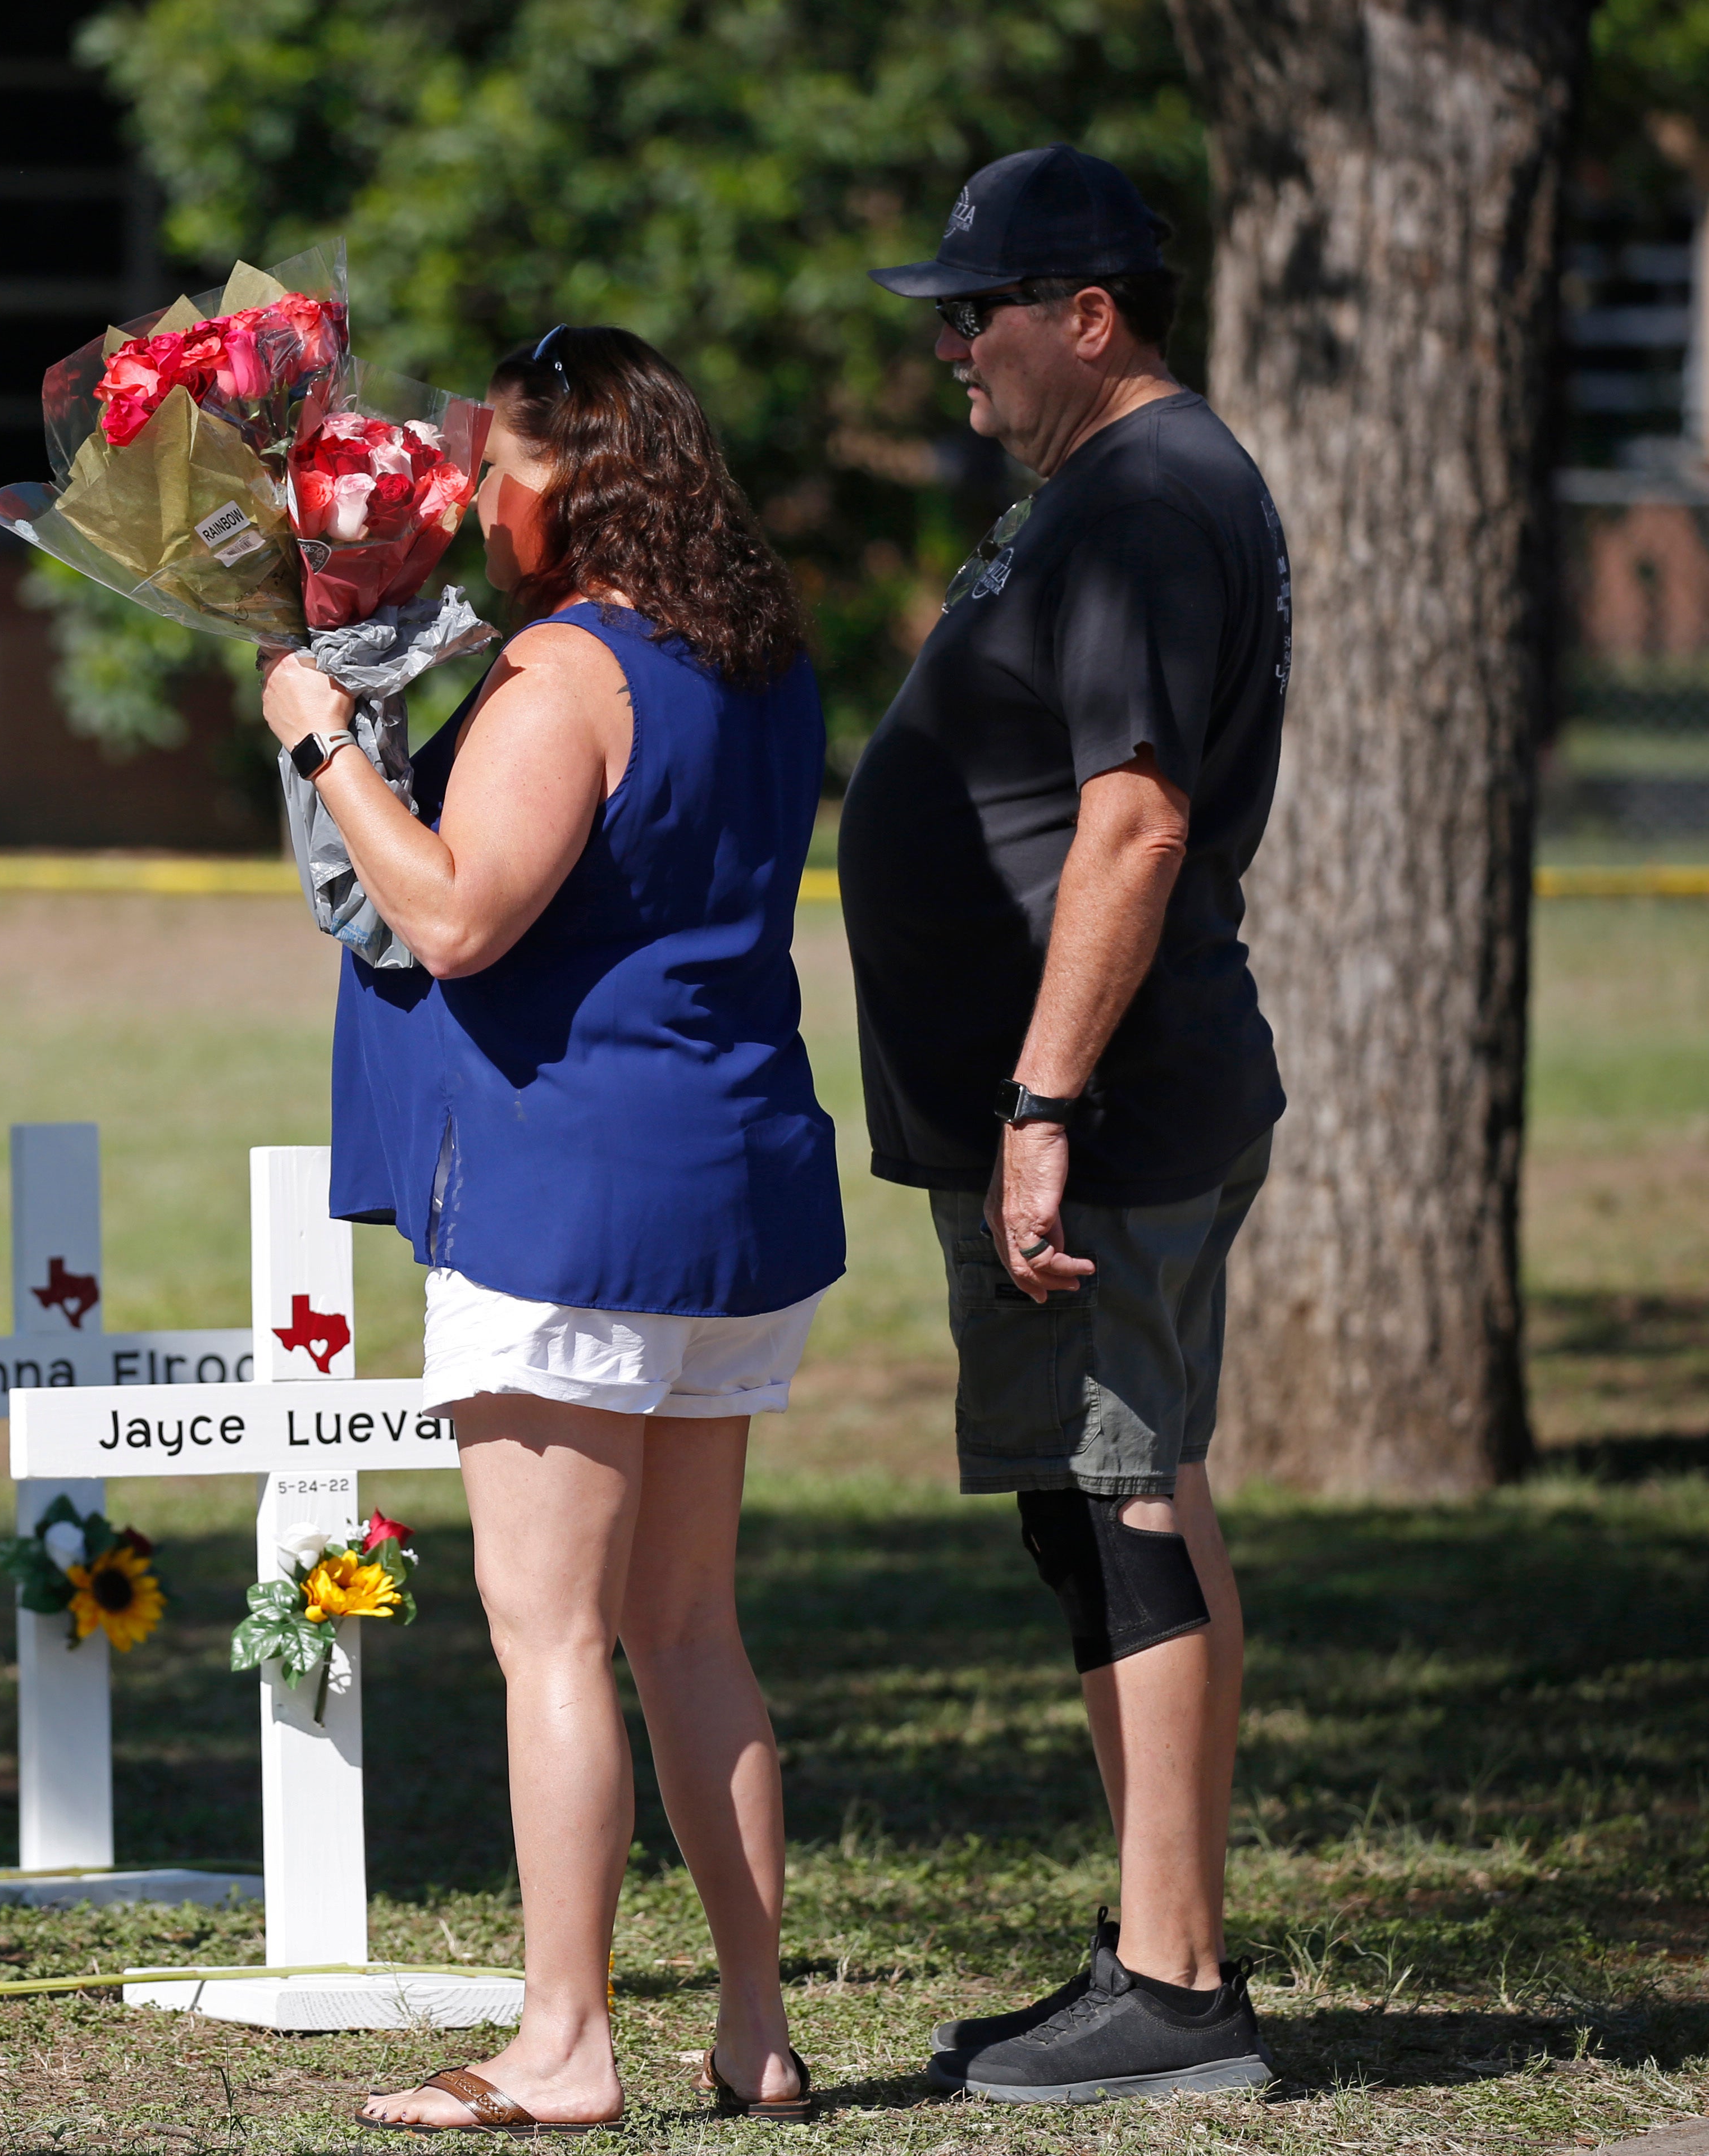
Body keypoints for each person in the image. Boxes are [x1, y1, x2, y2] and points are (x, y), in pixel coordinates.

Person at [262, 325, 845, 2135]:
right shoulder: (753, 653)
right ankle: (755, 2028)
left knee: (550, 1637)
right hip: (734, 1177)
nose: (469, 499)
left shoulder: (565, 675)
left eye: (494, 471)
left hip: (574, 1187)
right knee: (688, 1628)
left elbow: (451, 918)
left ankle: (564, 2043)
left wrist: (323, 737)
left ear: (575, 483)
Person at [840, 144, 1290, 2104]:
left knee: (1123, 1508)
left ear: (1087, 317)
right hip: (1068, 1106)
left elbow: (1134, 818)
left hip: (1099, 1114)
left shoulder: (1148, 502)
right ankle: (1146, 1944)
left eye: (978, 315)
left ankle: (1177, 1992)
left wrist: (1040, 1102)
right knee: (1102, 1501)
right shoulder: (1098, 493)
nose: (953, 349)